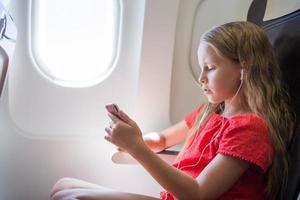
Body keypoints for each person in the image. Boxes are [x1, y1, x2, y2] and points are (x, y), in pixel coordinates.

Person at [49, 21, 294, 200]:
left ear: (244, 68)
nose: (201, 78)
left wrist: (137, 147)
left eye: (209, 67)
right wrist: (133, 137)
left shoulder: (250, 129)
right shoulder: (209, 112)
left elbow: (198, 194)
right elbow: (164, 139)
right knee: (63, 185)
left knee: (72, 198)